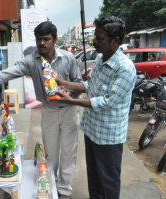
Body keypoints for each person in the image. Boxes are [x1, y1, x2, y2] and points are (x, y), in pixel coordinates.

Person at [0, 21, 81, 198]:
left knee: (69, 152)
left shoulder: (68, 58)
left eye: (46, 39)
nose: (42, 43)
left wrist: (65, 90)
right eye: (39, 39)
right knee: (51, 153)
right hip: (49, 111)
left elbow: (80, 84)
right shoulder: (31, 61)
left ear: (54, 39)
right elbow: (2, 74)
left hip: (69, 109)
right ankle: (51, 188)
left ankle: (64, 190)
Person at [54, 16, 136, 199]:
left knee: (109, 181)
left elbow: (107, 102)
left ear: (115, 41)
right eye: (95, 37)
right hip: (92, 129)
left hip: (108, 136)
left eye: (99, 38)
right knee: (94, 179)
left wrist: (71, 101)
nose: (94, 42)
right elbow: (90, 84)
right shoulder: (99, 58)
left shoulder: (124, 68)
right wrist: (64, 83)